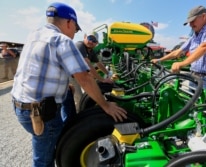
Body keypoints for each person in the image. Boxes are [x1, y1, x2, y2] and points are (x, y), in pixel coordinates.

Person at [11, 2, 127, 167]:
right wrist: (106, 106)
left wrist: (64, 86)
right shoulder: (61, 40)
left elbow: (39, 68)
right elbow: (85, 78)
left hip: (21, 105)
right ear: (69, 23)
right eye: (76, 28)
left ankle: (67, 132)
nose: (74, 33)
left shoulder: (34, 34)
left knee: (66, 102)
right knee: (43, 160)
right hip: (40, 113)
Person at [151, 5, 206, 93]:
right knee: (189, 102)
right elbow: (178, 52)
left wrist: (182, 63)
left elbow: (205, 46)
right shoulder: (195, 35)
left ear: (203, 16)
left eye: (193, 21)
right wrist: (159, 60)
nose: (190, 25)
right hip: (193, 75)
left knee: (198, 105)